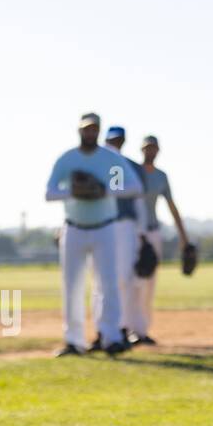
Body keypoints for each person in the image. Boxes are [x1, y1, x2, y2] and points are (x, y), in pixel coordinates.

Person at [44, 112, 145, 356]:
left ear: (98, 131)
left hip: (105, 227)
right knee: (72, 285)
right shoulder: (68, 159)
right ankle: (74, 340)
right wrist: (74, 192)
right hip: (74, 227)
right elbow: (50, 192)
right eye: (86, 129)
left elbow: (130, 188)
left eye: (94, 129)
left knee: (108, 283)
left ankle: (110, 337)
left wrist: (103, 189)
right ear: (79, 130)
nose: (90, 133)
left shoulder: (109, 160)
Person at [92, 125, 150, 349]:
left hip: (125, 225)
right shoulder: (95, 165)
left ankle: (122, 328)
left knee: (124, 279)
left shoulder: (132, 166)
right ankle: (102, 330)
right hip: (100, 224)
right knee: (100, 280)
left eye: (118, 141)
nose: (115, 145)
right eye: (111, 141)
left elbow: (139, 201)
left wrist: (142, 233)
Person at [130, 135, 192, 344]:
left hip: (153, 231)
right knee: (132, 282)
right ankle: (128, 328)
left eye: (153, 148)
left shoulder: (161, 176)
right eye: (147, 148)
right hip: (133, 233)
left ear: (158, 151)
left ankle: (142, 330)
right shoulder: (132, 171)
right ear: (141, 150)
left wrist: (184, 237)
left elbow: (172, 206)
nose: (150, 152)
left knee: (149, 282)